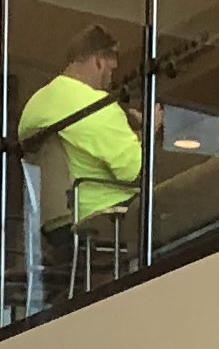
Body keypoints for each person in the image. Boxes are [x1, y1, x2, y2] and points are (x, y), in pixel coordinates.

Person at [16, 24, 145, 280]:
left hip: (54, 226)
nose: (110, 78)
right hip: (103, 218)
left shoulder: (36, 105)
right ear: (99, 62)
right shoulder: (95, 106)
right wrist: (146, 133)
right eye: (110, 69)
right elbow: (134, 170)